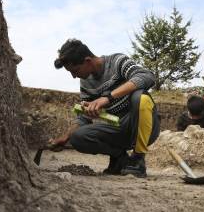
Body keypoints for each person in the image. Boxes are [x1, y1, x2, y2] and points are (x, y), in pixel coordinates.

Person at [50, 39, 160, 178]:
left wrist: (108, 97)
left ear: (88, 60)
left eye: (75, 70)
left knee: (140, 97)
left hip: (143, 126)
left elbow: (147, 76)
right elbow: (84, 117)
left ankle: (138, 158)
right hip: (118, 127)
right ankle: (120, 158)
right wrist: (66, 137)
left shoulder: (117, 61)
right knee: (78, 137)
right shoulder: (85, 81)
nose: (73, 76)